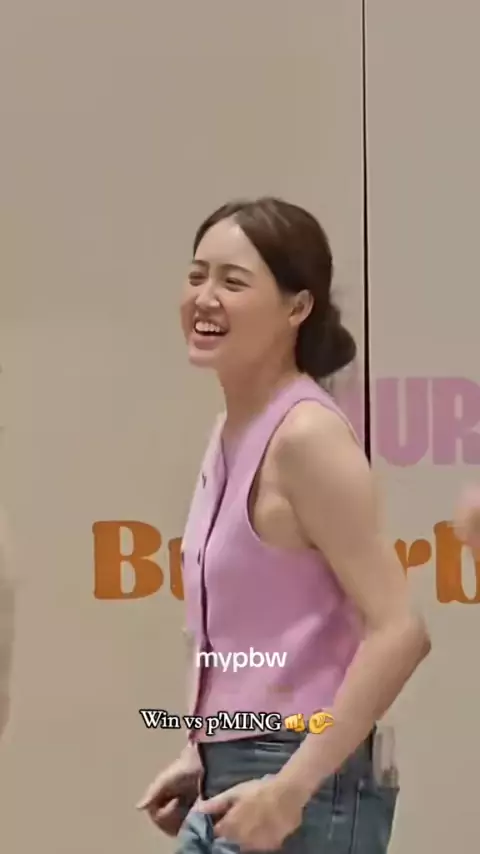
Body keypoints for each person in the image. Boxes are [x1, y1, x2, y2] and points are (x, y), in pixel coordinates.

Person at [137, 197, 431, 852]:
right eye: (196, 275)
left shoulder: (306, 436)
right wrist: (203, 747)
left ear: (297, 307)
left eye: (233, 282)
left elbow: (400, 631)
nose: (205, 298)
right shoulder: (230, 429)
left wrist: (290, 788)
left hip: (303, 779)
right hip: (233, 769)